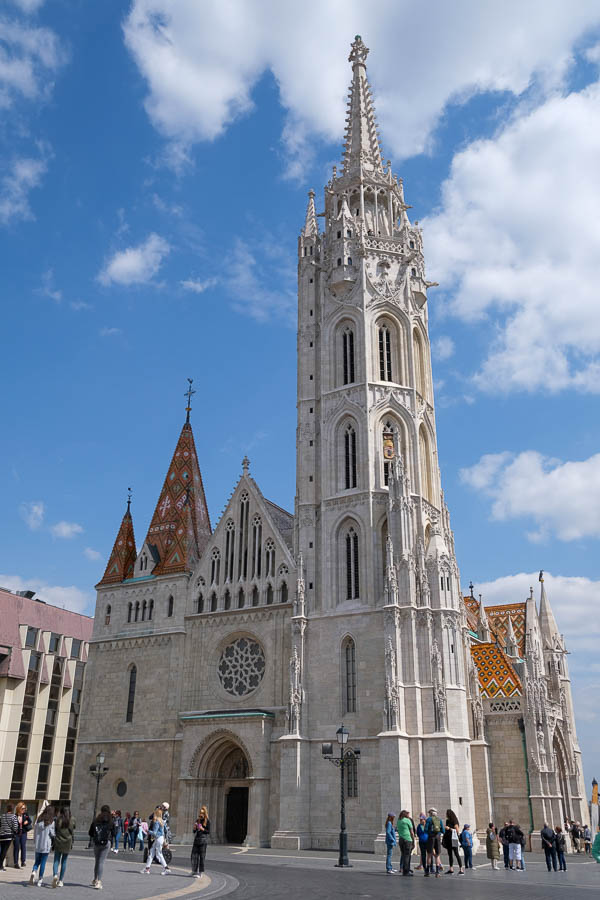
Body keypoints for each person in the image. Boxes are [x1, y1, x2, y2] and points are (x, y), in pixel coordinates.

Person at [88, 804, 115, 889]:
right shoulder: (111, 821)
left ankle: (95, 879)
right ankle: (99, 881)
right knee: (101, 862)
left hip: (96, 843)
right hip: (106, 843)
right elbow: (114, 833)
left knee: (97, 861)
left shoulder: (96, 820)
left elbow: (90, 833)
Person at [30, 805, 55, 887]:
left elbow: (35, 832)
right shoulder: (51, 822)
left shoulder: (38, 820)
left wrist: (35, 841)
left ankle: (34, 872)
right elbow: (52, 834)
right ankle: (40, 880)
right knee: (43, 862)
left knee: (37, 861)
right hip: (46, 845)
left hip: (38, 844)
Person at [141, 807, 171, 875]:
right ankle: (147, 868)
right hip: (160, 838)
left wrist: (148, 831)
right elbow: (165, 830)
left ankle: (166, 868)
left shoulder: (157, 822)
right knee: (152, 852)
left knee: (159, 854)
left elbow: (154, 832)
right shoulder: (162, 821)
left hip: (158, 838)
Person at [52, 807, 75, 888]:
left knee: (56, 860)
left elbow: (55, 830)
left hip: (58, 841)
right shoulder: (72, 819)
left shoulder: (58, 819)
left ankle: (55, 875)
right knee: (64, 861)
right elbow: (73, 829)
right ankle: (61, 880)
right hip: (67, 842)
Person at [191, 806, 210, 879]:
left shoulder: (207, 821)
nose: (200, 815)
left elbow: (208, 831)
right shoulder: (198, 820)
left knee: (202, 857)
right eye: (200, 813)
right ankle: (194, 871)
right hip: (197, 840)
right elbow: (194, 831)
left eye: (202, 813)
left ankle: (200, 872)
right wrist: (194, 828)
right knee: (194, 855)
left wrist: (202, 829)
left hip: (203, 840)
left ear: (205, 813)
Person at [424, 807, 444, 878]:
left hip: (431, 837)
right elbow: (443, 830)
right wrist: (438, 832)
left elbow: (425, 830)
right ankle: (437, 872)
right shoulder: (439, 819)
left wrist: (430, 832)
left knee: (429, 854)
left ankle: (427, 871)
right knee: (437, 855)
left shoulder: (428, 819)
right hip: (438, 837)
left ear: (430, 813)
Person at [443, 809, 464, 874]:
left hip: (454, 839)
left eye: (447, 813)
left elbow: (457, 830)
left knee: (456, 854)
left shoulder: (454, 820)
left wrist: (449, 828)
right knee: (450, 854)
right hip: (448, 839)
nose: (446, 815)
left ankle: (461, 869)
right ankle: (451, 869)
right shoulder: (447, 821)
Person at [0, 804, 19, 871]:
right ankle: (0, 865)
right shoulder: (13, 817)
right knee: (4, 851)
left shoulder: (2, 816)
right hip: (8, 835)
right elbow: (15, 827)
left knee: (2, 850)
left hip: (1, 835)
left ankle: (0, 864)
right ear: (13, 809)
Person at [13, 802, 31, 868]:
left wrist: (27, 822)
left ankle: (23, 861)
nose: (24, 810)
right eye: (23, 808)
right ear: (19, 808)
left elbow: (30, 821)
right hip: (17, 834)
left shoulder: (25, 815)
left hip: (23, 833)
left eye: (25, 808)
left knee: (23, 847)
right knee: (16, 848)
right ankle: (15, 863)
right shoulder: (15, 815)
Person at [396, 810, 415, 876]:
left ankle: (404, 869)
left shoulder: (398, 821)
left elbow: (398, 830)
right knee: (407, 856)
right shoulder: (407, 820)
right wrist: (413, 840)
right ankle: (406, 871)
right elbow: (412, 832)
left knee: (404, 855)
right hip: (407, 839)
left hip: (401, 839)